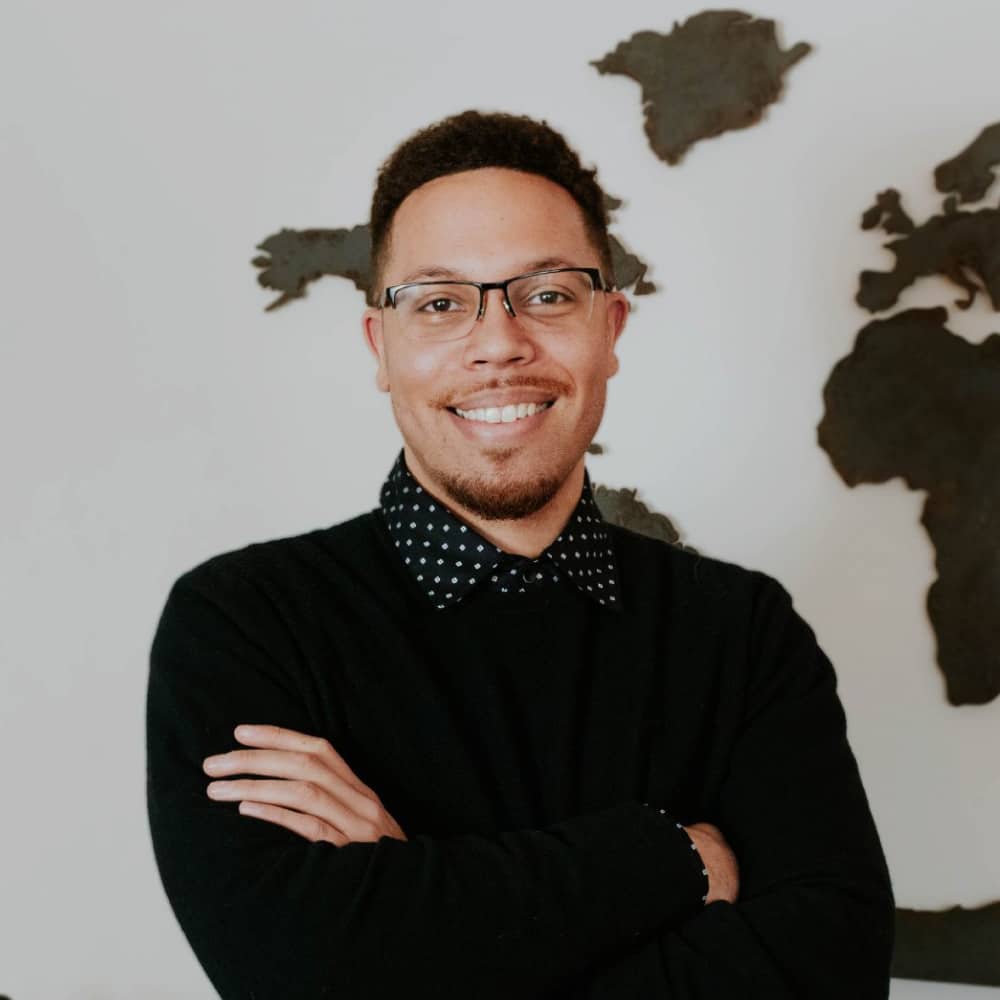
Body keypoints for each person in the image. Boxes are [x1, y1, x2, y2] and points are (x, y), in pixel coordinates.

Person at [146, 109, 895, 999]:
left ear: (611, 327)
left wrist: (416, 910)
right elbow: (293, 971)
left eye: (546, 294)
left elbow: (832, 971)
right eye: (438, 303)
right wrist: (673, 857)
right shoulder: (247, 622)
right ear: (380, 347)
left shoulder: (743, 629)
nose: (499, 343)